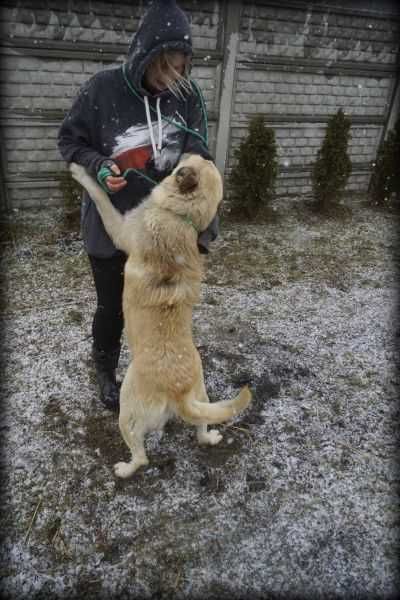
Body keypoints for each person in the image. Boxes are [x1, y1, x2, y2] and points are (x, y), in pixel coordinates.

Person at [58, 0, 219, 412]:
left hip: (165, 230)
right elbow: (70, 142)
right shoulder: (102, 89)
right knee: (113, 307)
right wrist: (99, 165)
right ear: (144, 54)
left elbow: (198, 151)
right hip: (114, 225)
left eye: (180, 69)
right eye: (165, 67)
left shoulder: (187, 97)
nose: (172, 79)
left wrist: (191, 184)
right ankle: (104, 370)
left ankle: (158, 370)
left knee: (164, 309)